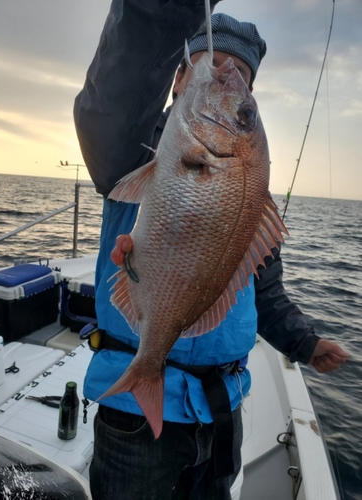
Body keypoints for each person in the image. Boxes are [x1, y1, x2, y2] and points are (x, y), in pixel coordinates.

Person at [74, 2, 349, 499]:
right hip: (134, 418)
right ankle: (146, 368)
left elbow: (263, 293)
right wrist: (163, 9)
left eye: (240, 76)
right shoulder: (128, 147)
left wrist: (305, 345)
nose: (226, 73)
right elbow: (114, 98)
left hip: (223, 412)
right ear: (178, 78)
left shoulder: (248, 197)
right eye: (210, 63)